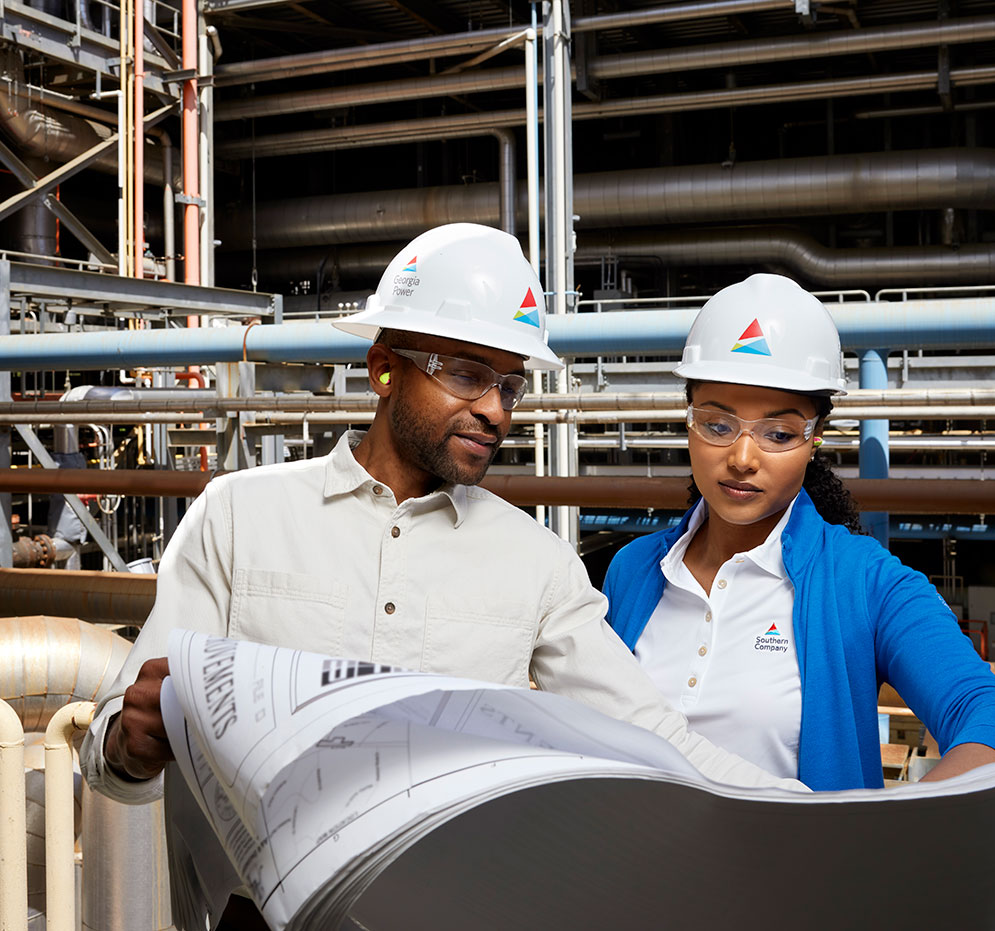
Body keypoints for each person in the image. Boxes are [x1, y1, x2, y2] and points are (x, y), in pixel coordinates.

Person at [81, 226, 802, 928]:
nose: (494, 409)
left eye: (510, 386)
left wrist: (820, 814)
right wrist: (130, 742)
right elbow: (110, 752)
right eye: (466, 373)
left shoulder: (535, 561)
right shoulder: (240, 517)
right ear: (383, 368)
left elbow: (651, 733)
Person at [602, 274, 995, 926]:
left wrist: (907, 837)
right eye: (716, 422)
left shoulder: (863, 580)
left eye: (779, 433)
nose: (741, 456)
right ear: (689, 415)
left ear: (816, 436)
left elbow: (993, 714)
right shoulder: (634, 571)